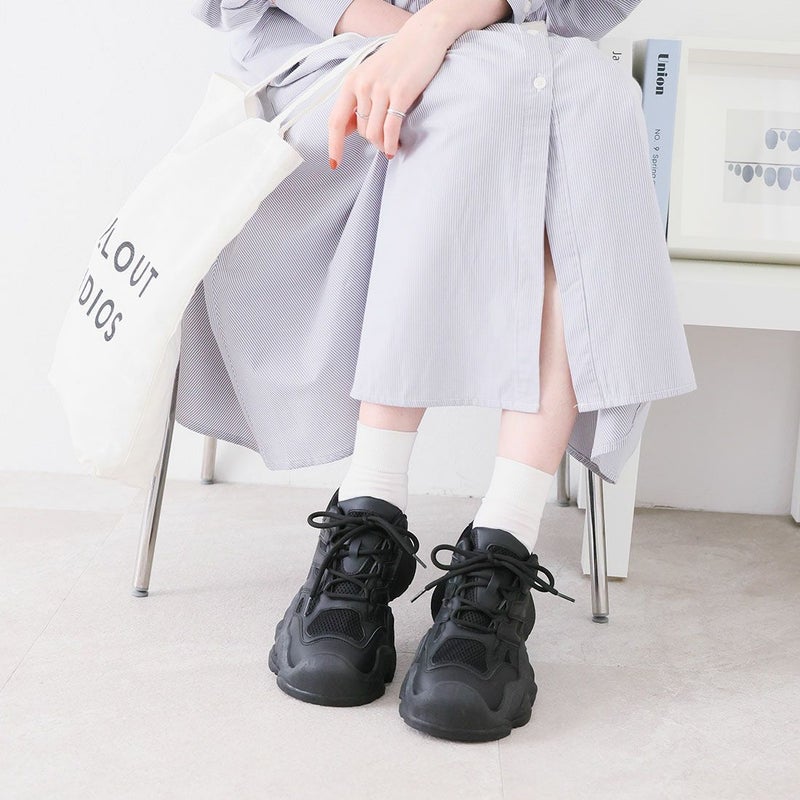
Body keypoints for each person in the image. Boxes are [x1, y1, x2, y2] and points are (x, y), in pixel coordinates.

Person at [181, 0, 697, 742]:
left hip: (523, 54)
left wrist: (445, 28)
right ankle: (373, 514)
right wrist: (425, 43)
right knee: (499, 92)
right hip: (337, 68)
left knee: (580, 95)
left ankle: (496, 548)